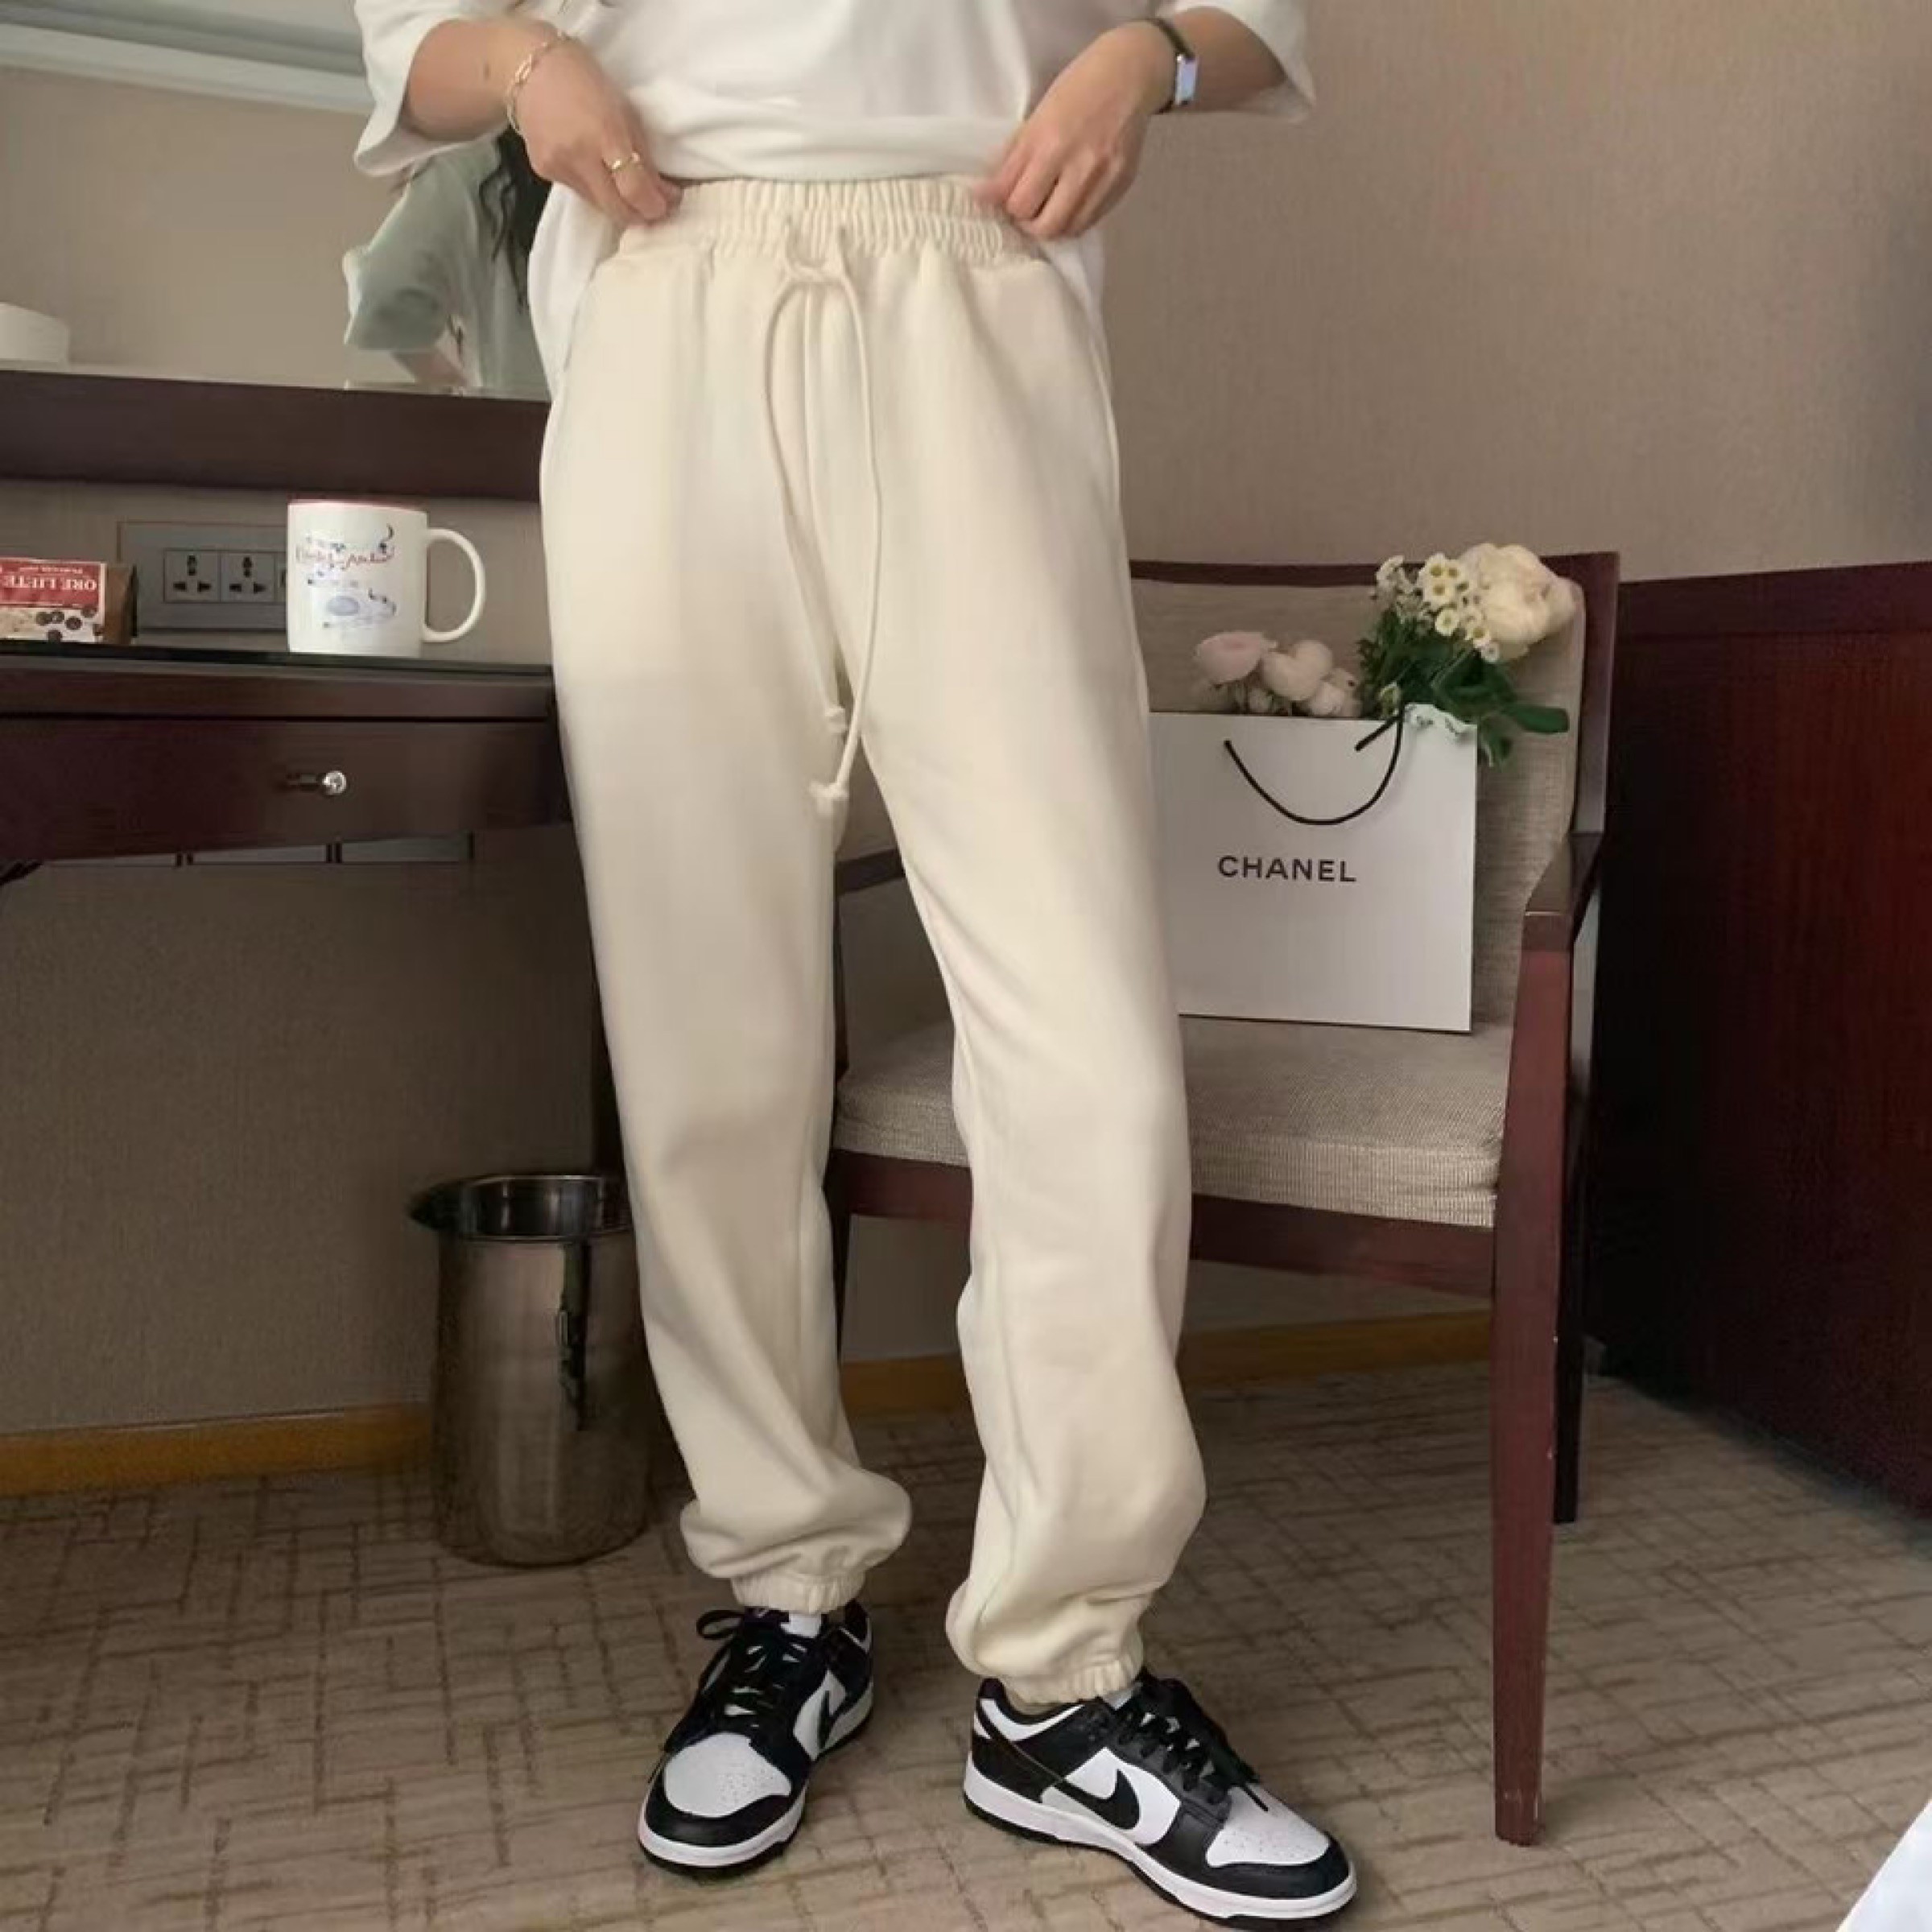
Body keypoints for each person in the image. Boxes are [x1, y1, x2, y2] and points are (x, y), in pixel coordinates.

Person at [353, 2, 1355, 1920]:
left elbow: (1251, 18)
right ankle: (789, 1588)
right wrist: (530, 68)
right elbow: (415, 42)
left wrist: (1142, 51)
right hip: (665, 282)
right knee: (704, 1031)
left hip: (979, 269)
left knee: (1085, 1046)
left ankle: (1065, 1675)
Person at [344, 131, 550, 394]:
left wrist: (451, 380)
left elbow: (380, 294)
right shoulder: (596, 146)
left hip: (523, 413)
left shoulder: (473, 165)